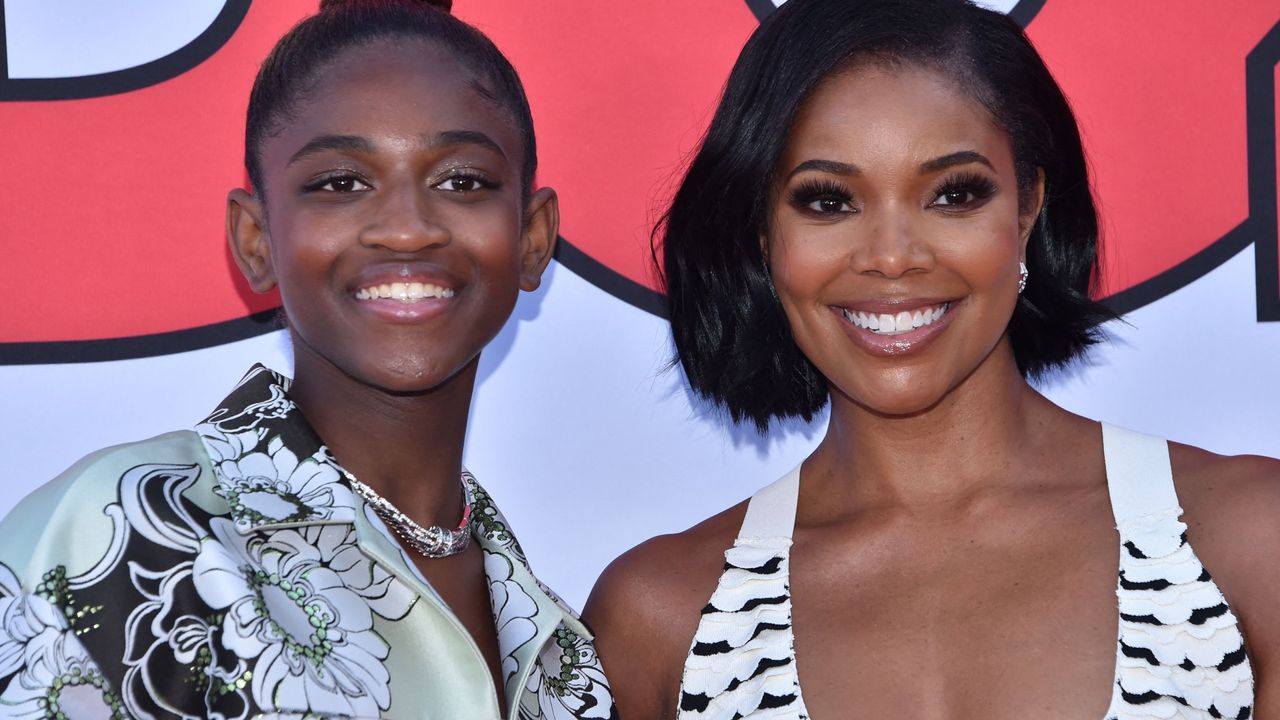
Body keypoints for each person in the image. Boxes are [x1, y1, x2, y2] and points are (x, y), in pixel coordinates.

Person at [583, 0, 1280, 717]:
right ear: (763, 232)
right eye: (828, 202)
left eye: (953, 194)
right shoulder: (660, 618)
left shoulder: (1252, 544)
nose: (891, 257)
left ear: (1028, 207)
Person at [0, 1, 615, 718]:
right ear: (256, 240)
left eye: (461, 181)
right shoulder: (123, 533)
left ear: (533, 237)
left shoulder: (562, 648)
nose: (407, 230)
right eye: (340, 184)